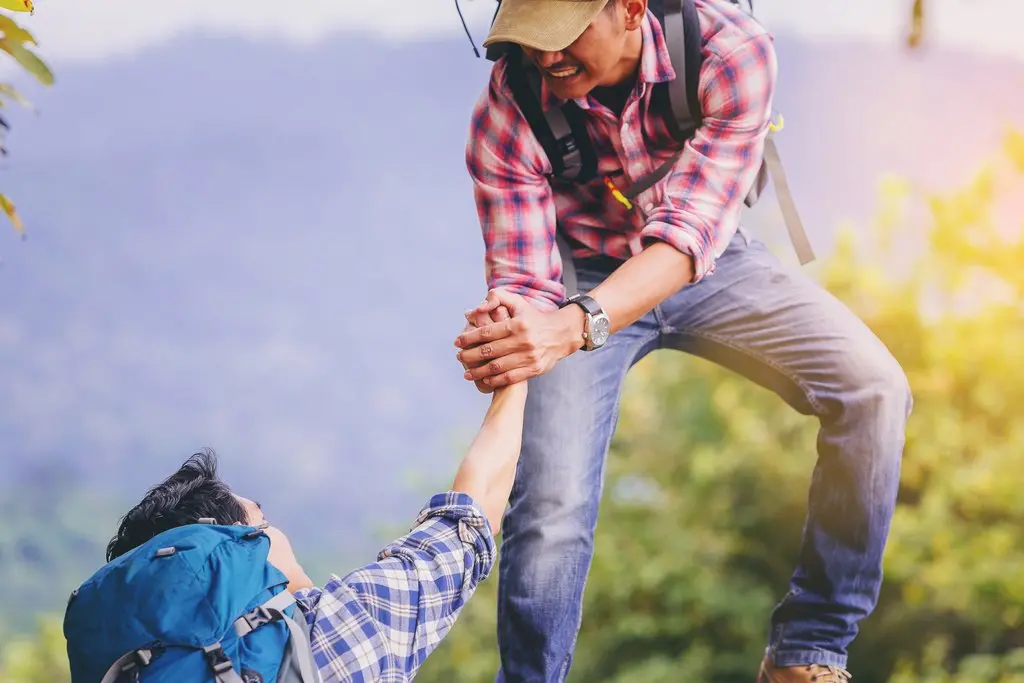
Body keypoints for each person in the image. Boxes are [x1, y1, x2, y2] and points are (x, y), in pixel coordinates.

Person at [454, 1, 913, 682]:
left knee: (873, 387)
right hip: (577, 276)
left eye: (563, 38)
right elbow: (523, 276)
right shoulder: (507, 112)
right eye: (529, 45)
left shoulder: (732, 52)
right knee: (551, 507)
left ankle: (807, 649)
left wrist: (569, 326)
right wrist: (509, 332)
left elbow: (686, 239)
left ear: (632, 8)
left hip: (707, 259)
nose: (547, 61)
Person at [77, 378, 526, 683]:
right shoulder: (331, 633)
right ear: (237, 554)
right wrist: (518, 365)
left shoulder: (129, 666)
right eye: (263, 525)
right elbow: (471, 515)